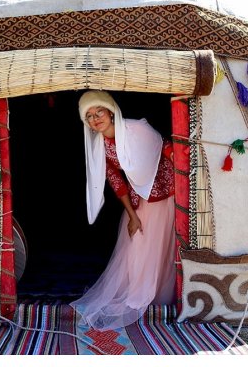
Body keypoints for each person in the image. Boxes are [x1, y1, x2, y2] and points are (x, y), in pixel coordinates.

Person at [70, 90, 176, 331]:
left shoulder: (135, 128)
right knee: (139, 244)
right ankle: (138, 294)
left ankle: (159, 296)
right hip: (141, 198)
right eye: (89, 116)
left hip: (167, 190)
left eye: (100, 112)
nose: (96, 118)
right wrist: (132, 214)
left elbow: (163, 146)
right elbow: (115, 181)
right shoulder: (101, 147)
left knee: (161, 245)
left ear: (111, 111)